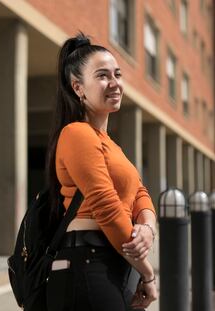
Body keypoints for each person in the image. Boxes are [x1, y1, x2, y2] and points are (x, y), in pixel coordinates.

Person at [45, 32, 158, 311]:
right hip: (87, 264)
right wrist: (148, 272)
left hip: (111, 262)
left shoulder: (111, 145)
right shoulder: (77, 134)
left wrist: (147, 227)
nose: (115, 83)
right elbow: (106, 207)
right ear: (78, 87)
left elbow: (140, 192)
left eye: (117, 74)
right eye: (103, 75)